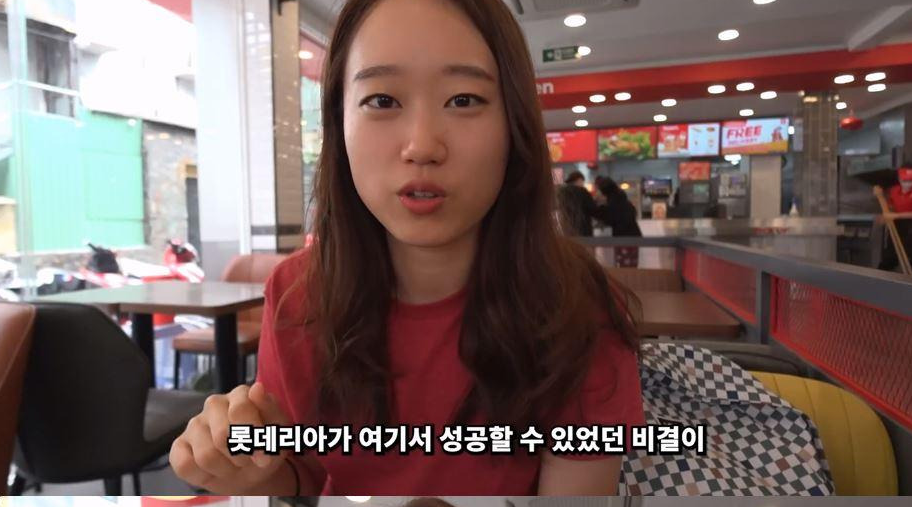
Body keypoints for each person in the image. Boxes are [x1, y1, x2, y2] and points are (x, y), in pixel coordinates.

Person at [169, 0, 644, 496]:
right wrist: (252, 469)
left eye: (464, 99)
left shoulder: (579, 308)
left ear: (514, 125)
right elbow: (304, 476)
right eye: (381, 100)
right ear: (338, 124)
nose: (422, 146)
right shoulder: (296, 293)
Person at [876, 164, 912, 277]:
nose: (908, 183)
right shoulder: (894, 190)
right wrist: (881, 199)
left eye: (911, 180)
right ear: (899, 178)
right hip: (897, 227)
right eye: (905, 180)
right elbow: (890, 210)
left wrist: (896, 215)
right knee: (889, 259)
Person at [593, 176, 642, 268]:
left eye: (598, 190)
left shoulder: (613, 203)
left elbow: (610, 218)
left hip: (624, 238)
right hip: (632, 237)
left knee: (625, 267)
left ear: (604, 192)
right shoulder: (621, 199)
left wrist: (597, 206)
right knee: (630, 266)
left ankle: (627, 277)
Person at [556, 171, 598, 236]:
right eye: (582, 181)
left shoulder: (561, 192)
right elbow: (592, 208)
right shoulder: (582, 191)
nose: (583, 184)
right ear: (579, 180)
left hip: (566, 225)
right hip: (582, 226)